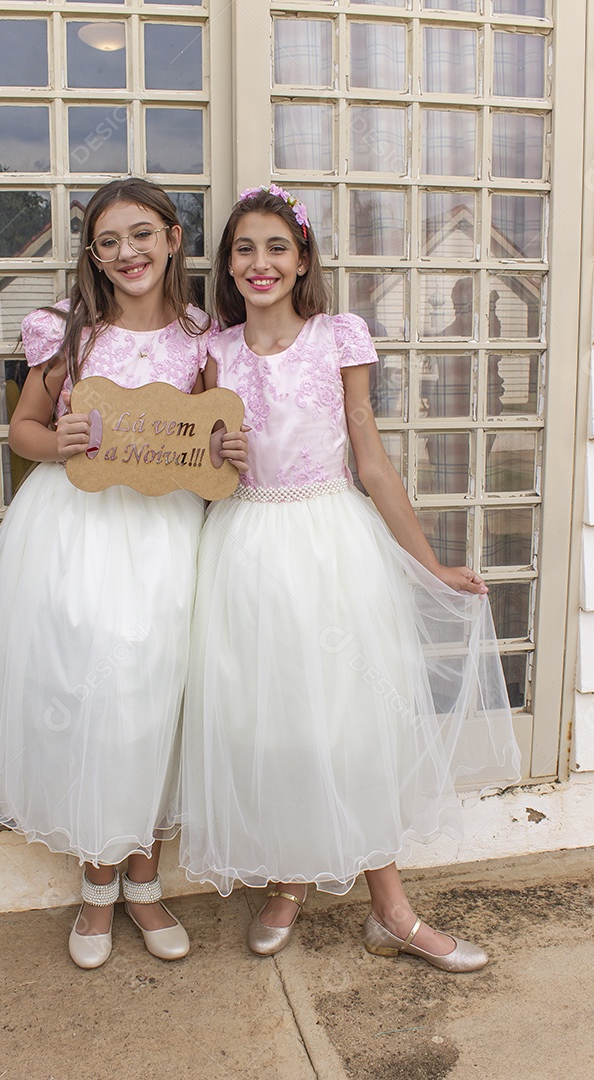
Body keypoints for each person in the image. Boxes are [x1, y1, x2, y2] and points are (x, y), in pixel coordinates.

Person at [180, 185, 520, 971]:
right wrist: (214, 459)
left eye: (276, 248)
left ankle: (391, 910)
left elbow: (370, 459)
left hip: (331, 543)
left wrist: (428, 563)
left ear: (302, 260)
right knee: (277, 724)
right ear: (227, 266)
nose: (259, 263)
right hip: (248, 549)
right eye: (243, 249)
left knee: (352, 719)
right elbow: (203, 473)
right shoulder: (214, 354)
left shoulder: (338, 337)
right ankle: (291, 881)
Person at [0, 178, 247, 970]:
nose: (129, 253)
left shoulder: (203, 335)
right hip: (79, 531)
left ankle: (145, 880)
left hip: (166, 533)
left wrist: (221, 451)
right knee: (91, 690)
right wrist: (65, 440)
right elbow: (23, 430)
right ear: (93, 254)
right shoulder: (71, 334)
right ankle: (96, 882)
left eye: (142, 234)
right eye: (109, 241)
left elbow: (213, 433)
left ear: (173, 237)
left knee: (157, 693)